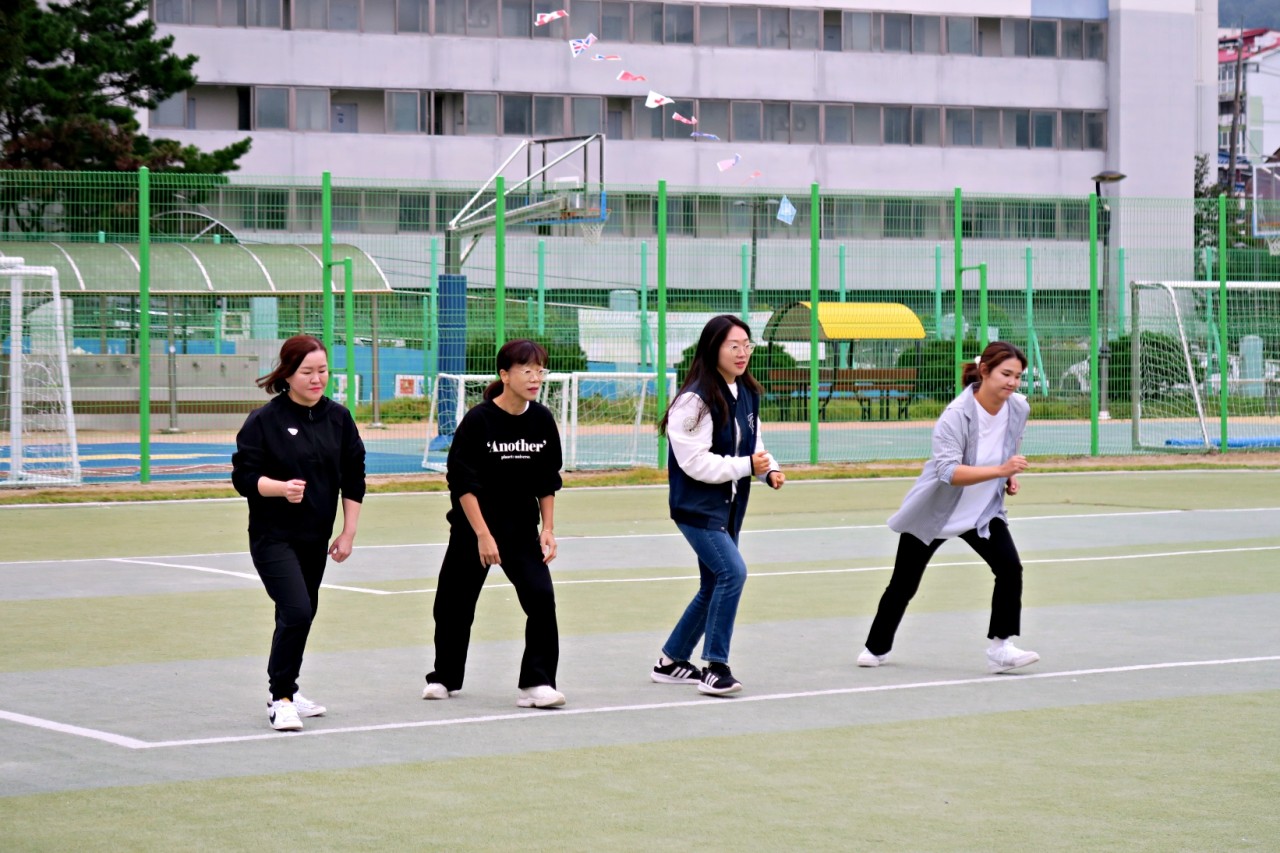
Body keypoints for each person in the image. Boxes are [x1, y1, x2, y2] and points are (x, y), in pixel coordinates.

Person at [857, 341, 1039, 674]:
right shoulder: (956, 415)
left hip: (982, 513)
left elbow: (1011, 441)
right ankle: (876, 646)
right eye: (1005, 374)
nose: (1012, 382)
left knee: (1010, 569)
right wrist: (1001, 470)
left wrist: (1006, 478)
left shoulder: (1019, 407)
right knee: (904, 584)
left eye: (1018, 376)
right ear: (984, 371)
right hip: (937, 512)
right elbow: (948, 472)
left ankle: (1001, 646)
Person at [231, 335, 366, 732]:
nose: (317, 378)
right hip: (273, 537)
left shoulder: (339, 418)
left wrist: (348, 532)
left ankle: (289, 687)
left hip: (315, 538)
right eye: (307, 372)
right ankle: (281, 699)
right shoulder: (264, 421)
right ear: (288, 373)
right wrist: (280, 488)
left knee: (302, 615)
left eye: (322, 370)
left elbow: (354, 478)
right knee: (296, 610)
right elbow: (243, 477)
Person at [422, 339, 566, 709]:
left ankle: (537, 682)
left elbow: (547, 480)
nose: (536, 378)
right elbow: (463, 484)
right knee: (453, 605)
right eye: (527, 370)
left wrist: (547, 529)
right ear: (504, 375)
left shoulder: (542, 420)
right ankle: (444, 676)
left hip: (521, 533)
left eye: (540, 370)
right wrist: (483, 536)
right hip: (474, 530)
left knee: (541, 598)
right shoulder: (479, 420)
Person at [650, 314, 784, 696]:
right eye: (734, 346)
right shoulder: (694, 401)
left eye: (747, 345)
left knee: (713, 583)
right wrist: (746, 466)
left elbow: (751, 443)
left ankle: (671, 660)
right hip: (697, 508)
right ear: (714, 349)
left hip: (729, 506)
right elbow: (694, 463)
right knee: (732, 573)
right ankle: (716, 666)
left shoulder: (747, 392)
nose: (743, 353)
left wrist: (767, 469)